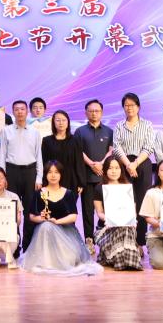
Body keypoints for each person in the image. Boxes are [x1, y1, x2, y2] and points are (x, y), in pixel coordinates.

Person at [21, 160, 101, 276]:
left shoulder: (68, 193)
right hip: (45, 232)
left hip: (65, 231)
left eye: (56, 172)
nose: (53, 175)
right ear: (45, 174)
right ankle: (47, 261)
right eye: (50, 172)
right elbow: (31, 216)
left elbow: (73, 216)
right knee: (46, 226)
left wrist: (57, 221)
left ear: (61, 174)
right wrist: (41, 218)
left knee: (69, 259)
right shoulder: (39, 193)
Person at [112, 92, 156, 247]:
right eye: (126, 105)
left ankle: (141, 241)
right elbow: (117, 147)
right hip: (124, 164)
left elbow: (149, 147)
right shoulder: (119, 126)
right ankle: (127, 239)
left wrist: (135, 164)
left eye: (132, 105)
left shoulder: (147, 125)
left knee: (143, 201)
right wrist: (128, 165)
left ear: (138, 107)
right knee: (127, 201)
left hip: (142, 163)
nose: (129, 108)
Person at [0, 100, 43, 250]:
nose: (19, 112)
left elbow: (38, 156)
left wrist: (39, 177)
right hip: (12, 172)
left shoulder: (35, 132)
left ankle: (28, 245)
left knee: (30, 210)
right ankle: (14, 246)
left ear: (27, 112)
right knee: (12, 209)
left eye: (22, 109)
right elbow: (2, 155)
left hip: (30, 172)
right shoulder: (6, 131)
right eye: (16, 109)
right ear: (13, 112)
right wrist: (2, 177)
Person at [75, 99, 113, 245]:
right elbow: (78, 151)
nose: (94, 113)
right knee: (87, 211)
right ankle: (89, 240)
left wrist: (102, 164)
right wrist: (92, 164)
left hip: (105, 178)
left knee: (107, 210)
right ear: (86, 113)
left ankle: (105, 239)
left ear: (102, 113)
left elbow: (111, 151)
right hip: (87, 177)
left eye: (97, 111)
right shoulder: (80, 131)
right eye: (91, 111)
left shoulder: (109, 131)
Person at [93, 157, 142, 271]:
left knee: (125, 228)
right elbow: (99, 213)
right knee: (122, 229)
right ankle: (125, 260)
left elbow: (133, 211)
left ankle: (122, 259)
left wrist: (131, 220)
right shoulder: (99, 188)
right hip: (107, 227)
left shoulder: (128, 187)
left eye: (117, 168)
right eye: (110, 168)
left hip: (126, 225)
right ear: (105, 170)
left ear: (121, 170)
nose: (114, 171)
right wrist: (110, 219)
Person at [41, 110, 87, 194]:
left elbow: (79, 162)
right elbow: (44, 162)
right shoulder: (47, 140)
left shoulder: (75, 140)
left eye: (63, 120)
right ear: (53, 122)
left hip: (71, 180)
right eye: (58, 120)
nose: (61, 123)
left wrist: (81, 182)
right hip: (52, 179)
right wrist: (43, 181)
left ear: (68, 122)